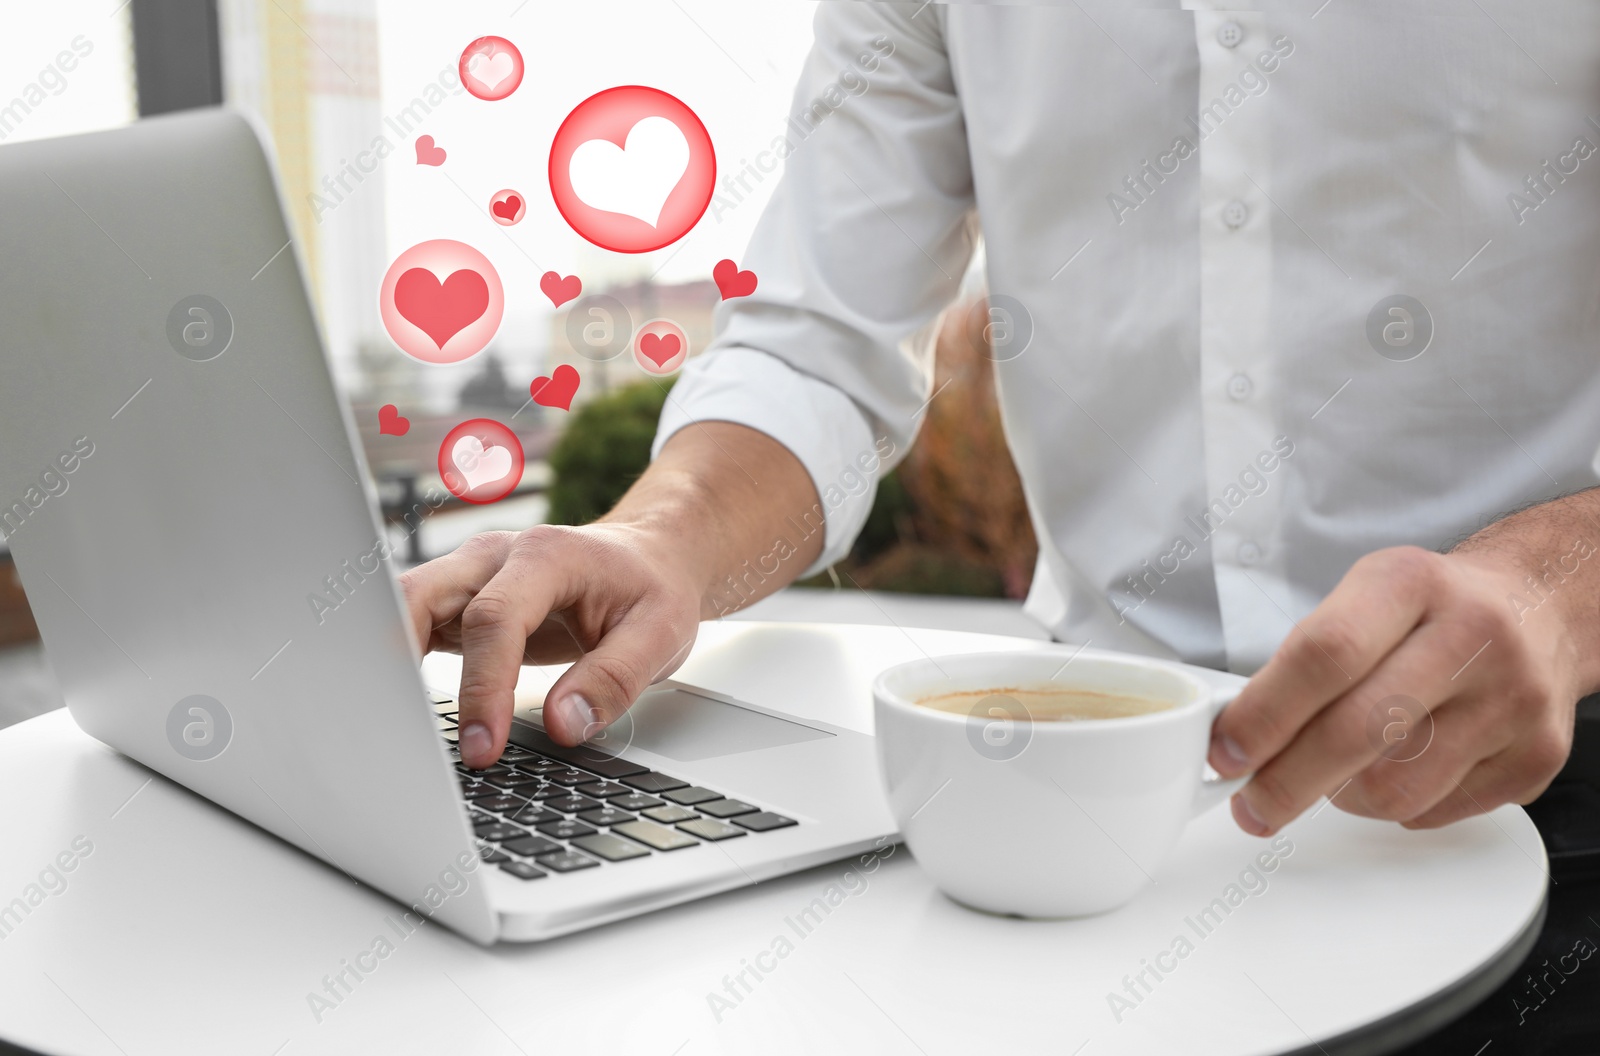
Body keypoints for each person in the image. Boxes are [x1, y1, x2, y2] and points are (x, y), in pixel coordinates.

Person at [401, 2, 1600, 839]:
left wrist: (1555, 588)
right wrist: (658, 540)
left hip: (1549, 800)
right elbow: (823, 344)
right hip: (1091, 784)